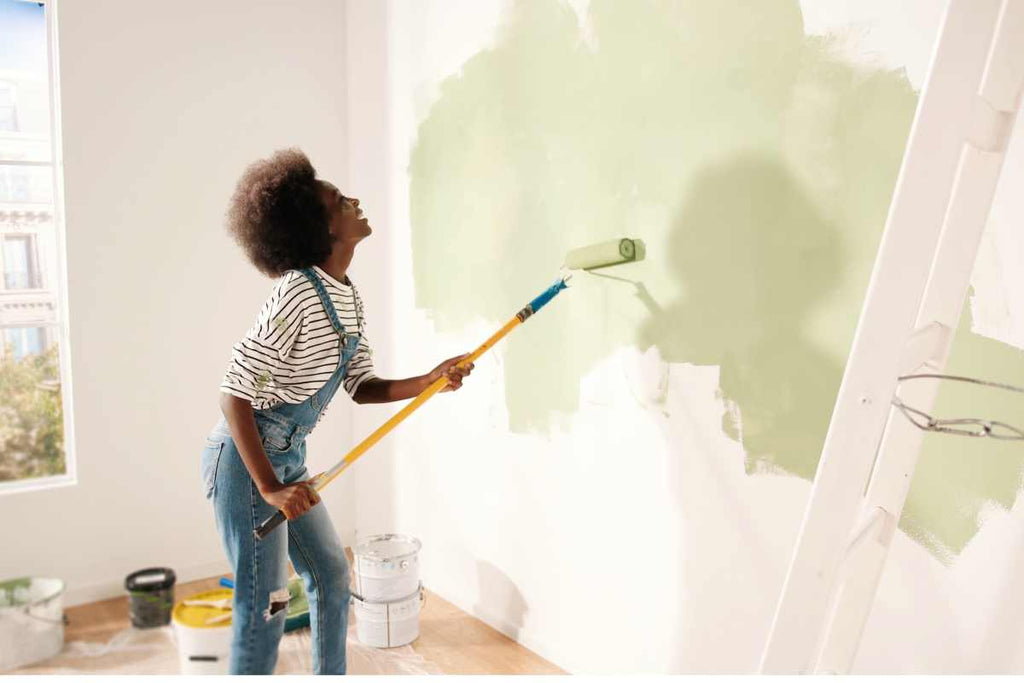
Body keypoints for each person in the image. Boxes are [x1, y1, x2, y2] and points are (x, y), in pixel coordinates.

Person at [200, 148, 473, 674]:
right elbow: (234, 393)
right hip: (243, 462)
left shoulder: (347, 295)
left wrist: (431, 380)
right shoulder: (297, 292)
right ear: (318, 227)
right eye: (339, 200)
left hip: (287, 459)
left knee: (331, 577)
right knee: (266, 608)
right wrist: (269, 488)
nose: (354, 201)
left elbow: (361, 385)